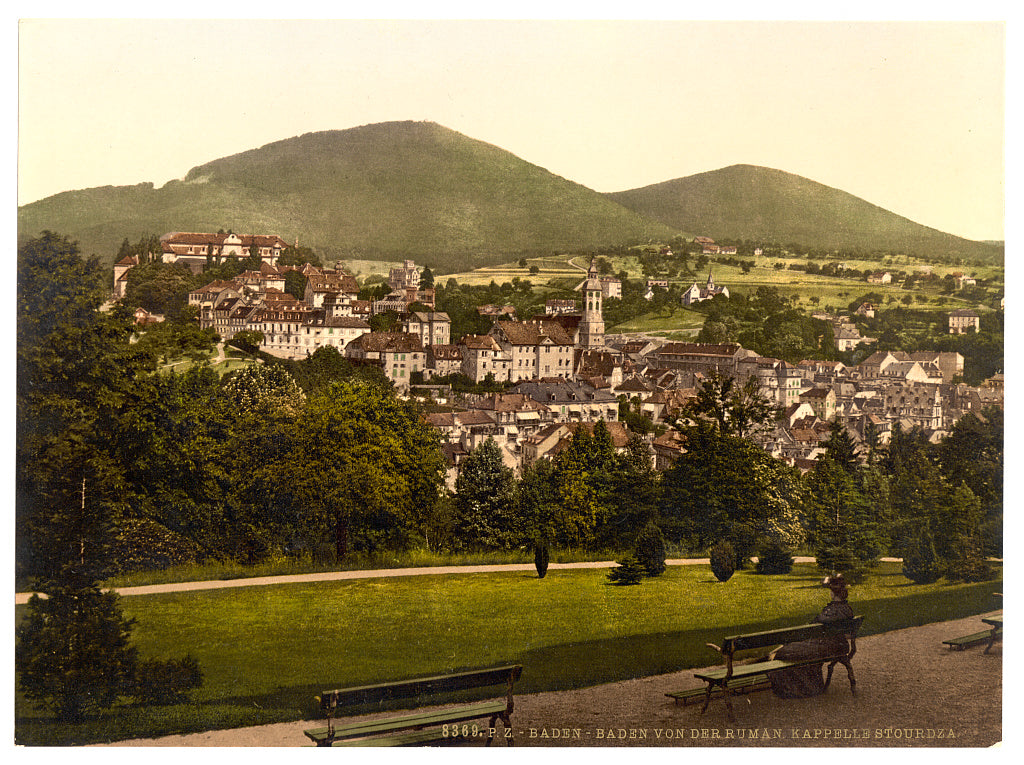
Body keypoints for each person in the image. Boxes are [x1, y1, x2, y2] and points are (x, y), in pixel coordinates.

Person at [767, 573, 855, 699]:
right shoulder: (847, 609)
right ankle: (810, 686)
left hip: (826, 647)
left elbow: (815, 624)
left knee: (784, 652)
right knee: (795, 649)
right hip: (841, 647)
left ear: (832, 593)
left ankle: (798, 689)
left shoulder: (830, 612)